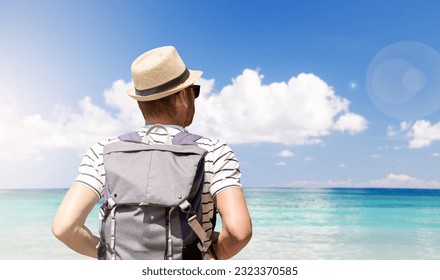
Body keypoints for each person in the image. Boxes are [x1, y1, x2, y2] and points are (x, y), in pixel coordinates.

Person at [52, 46, 252, 260]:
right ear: (183, 95)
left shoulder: (103, 152)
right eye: (194, 91)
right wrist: (211, 253)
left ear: (141, 101)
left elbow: (65, 227)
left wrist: (107, 255)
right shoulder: (214, 151)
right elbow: (238, 233)